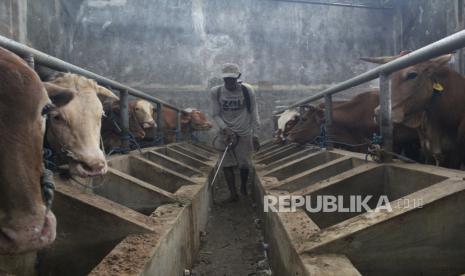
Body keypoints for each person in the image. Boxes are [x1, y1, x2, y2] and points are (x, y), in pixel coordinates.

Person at [211, 63, 261, 202]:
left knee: (244, 163)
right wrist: (225, 129)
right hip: (225, 132)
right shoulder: (216, 92)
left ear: (238, 77)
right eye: (226, 79)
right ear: (223, 78)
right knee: (226, 164)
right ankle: (233, 194)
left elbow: (254, 112)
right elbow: (215, 114)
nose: (229, 82)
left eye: (232, 79)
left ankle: (244, 188)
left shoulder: (247, 90)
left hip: (244, 132)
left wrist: (255, 134)